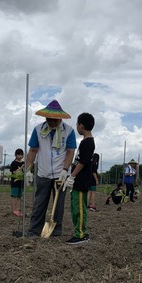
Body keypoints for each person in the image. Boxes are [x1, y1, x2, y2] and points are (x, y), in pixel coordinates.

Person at [25, 100, 76, 237]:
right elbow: (32, 151)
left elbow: (70, 152)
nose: (52, 122)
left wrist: (65, 170)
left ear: (60, 118)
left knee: (58, 204)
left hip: (61, 174)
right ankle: (34, 229)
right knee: (39, 202)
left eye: (54, 119)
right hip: (43, 172)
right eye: (49, 119)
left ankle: (56, 230)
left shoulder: (69, 131)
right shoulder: (38, 130)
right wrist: (28, 169)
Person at [63, 112, 95, 244]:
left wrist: (72, 176)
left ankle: (81, 234)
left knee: (80, 208)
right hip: (77, 180)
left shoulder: (88, 143)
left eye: (77, 124)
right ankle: (78, 231)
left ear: (81, 125)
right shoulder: (84, 142)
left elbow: (82, 162)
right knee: (75, 207)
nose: (76, 127)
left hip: (81, 180)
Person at [9, 148, 25, 217]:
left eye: (21, 155)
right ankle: (14, 210)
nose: (20, 156)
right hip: (15, 183)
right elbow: (13, 172)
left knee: (19, 196)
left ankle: (18, 209)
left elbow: (25, 171)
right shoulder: (13, 163)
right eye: (18, 154)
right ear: (15, 155)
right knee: (14, 196)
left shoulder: (23, 163)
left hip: (21, 183)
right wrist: (19, 169)